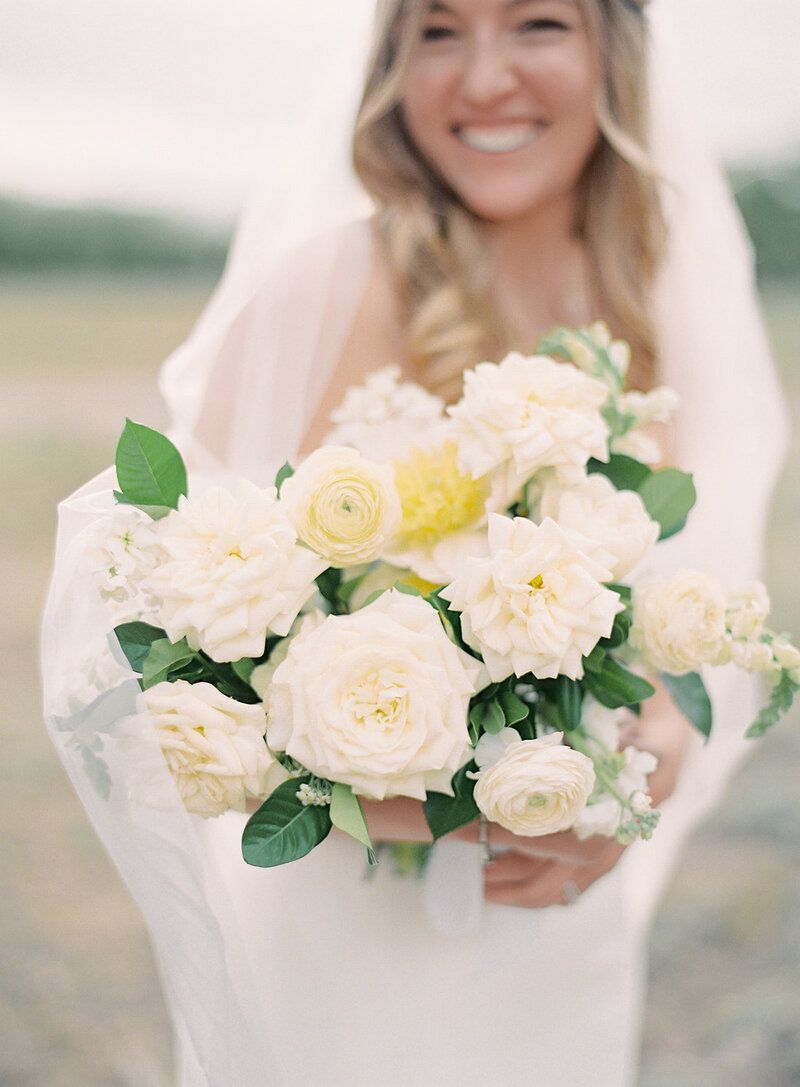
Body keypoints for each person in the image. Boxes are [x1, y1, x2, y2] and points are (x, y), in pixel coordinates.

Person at [42, 1, 788, 1084]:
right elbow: (146, 616)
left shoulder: (647, 302)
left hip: (561, 928)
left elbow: (686, 607)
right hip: (344, 943)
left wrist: (651, 753)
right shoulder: (330, 284)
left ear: (612, 55)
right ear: (392, 67)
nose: (480, 78)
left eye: (535, 22)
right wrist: (423, 804)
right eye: (436, 32)